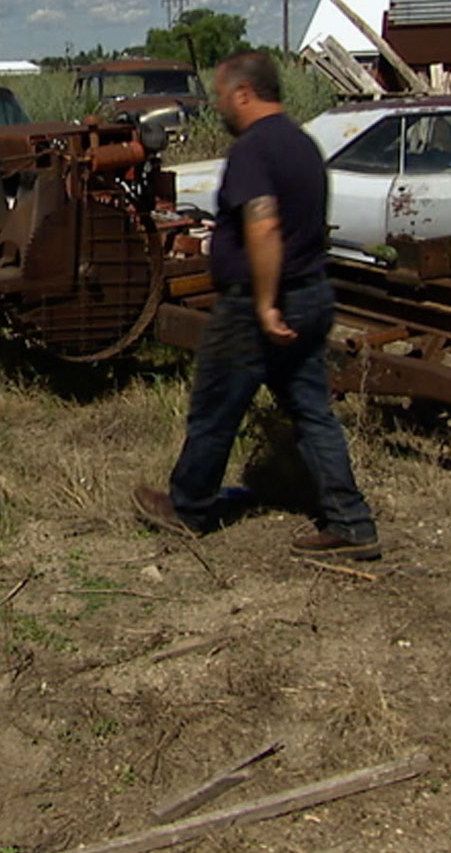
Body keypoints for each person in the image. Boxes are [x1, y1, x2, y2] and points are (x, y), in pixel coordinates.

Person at [132, 50, 380, 560]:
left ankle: (189, 508)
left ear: (244, 93)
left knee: (215, 407)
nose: (219, 106)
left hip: (258, 306)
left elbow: (264, 227)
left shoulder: (254, 149)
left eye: (223, 96)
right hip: (311, 294)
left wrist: (265, 304)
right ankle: (351, 522)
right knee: (312, 412)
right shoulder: (303, 145)